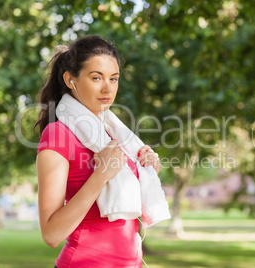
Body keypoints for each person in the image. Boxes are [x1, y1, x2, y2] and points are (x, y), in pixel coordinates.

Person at [35, 35, 160, 268]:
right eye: (96, 78)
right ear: (70, 80)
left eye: (114, 79)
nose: (107, 88)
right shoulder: (58, 135)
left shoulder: (114, 135)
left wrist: (145, 168)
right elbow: (51, 234)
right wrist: (101, 175)